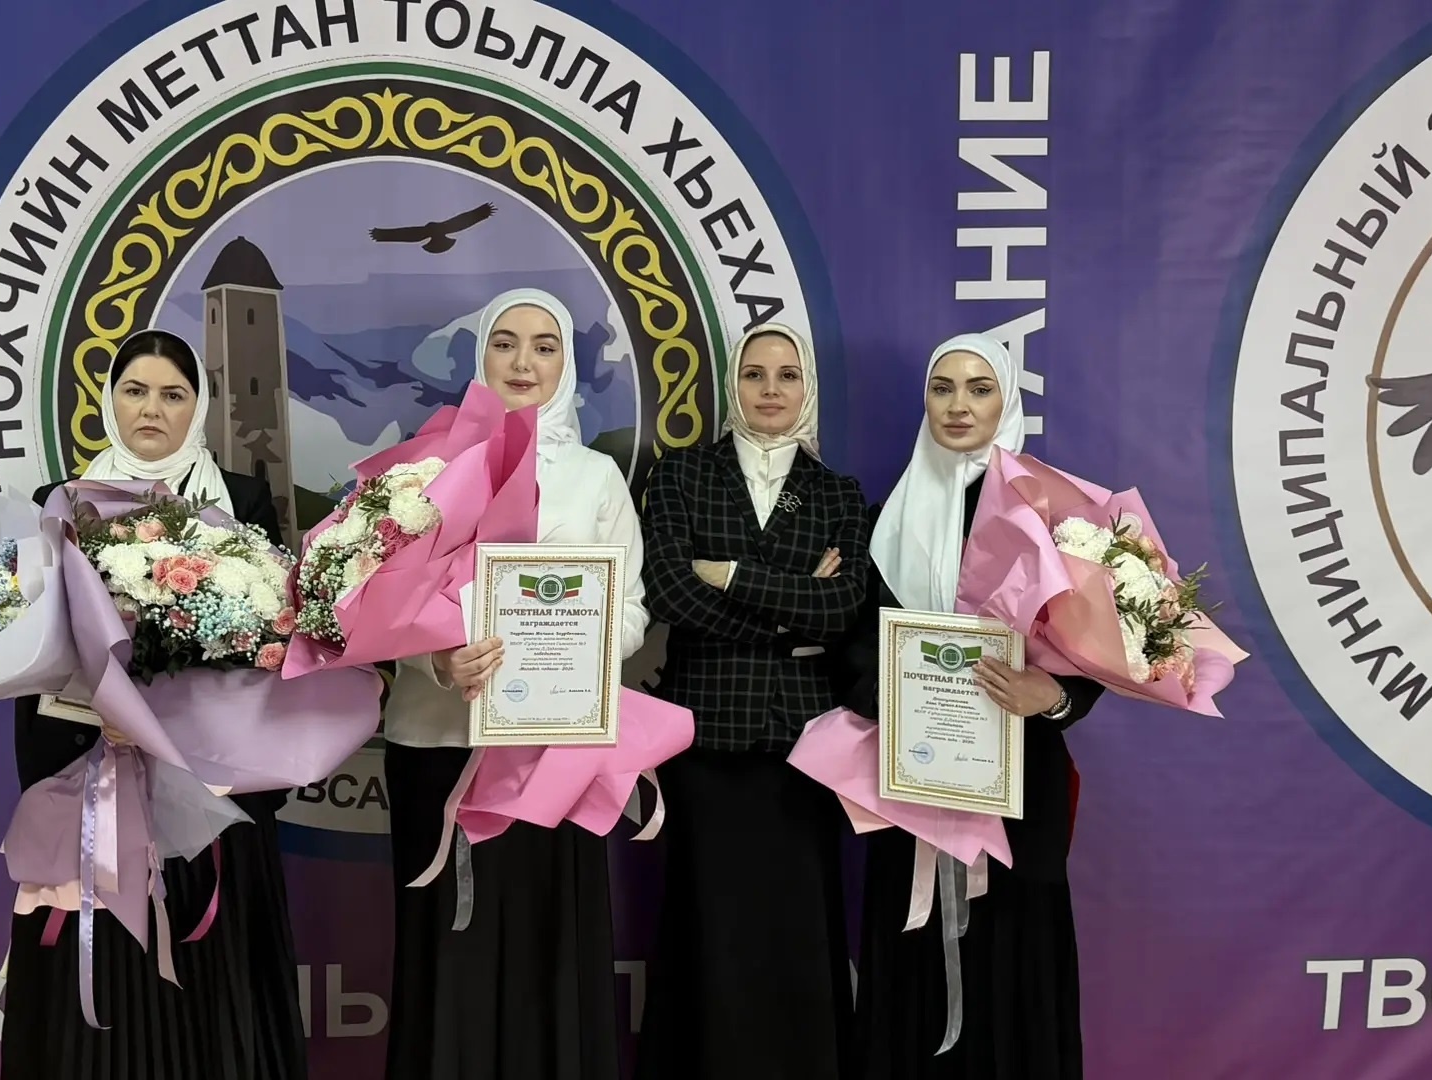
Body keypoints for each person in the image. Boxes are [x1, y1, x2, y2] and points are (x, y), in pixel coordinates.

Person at [1, 329, 305, 1080]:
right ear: (110, 402)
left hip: (208, 787)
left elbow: (276, 642)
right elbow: (40, 649)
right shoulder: (62, 502)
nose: (152, 410)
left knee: (209, 988)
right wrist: (96, 720)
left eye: (173, 395)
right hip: (95, 780)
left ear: (197, 407)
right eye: (135, 391)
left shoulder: (242, 499)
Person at [383, 288, 650, 1080]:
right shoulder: (425, 472)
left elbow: (632, 611)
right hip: (437, 741)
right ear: (480, 358)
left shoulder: (597, 478)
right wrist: (435, 660)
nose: (523, 362)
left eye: (544, 345)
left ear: (567, 363)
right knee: (445, 944)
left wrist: (575, 652)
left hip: (550, 753)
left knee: (547, 946)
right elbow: (378, 601)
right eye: (505, 343)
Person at [839, 333, 1104, 1080]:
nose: (959, 405)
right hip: (914, 774)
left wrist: (1051, 696)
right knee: (913, 954)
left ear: (1007, 401)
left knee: (1016, 960)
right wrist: (904, 697)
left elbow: (1096, 651)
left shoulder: (1052, 517)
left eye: (979, 389)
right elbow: (852, 650)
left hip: (1019, 783)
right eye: (943, 388)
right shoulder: (887, 518)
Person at [636, 324, 867, 1080]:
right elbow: (668, 590)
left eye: (788, 375)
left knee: (797, 926)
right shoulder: (681, 473)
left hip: (804, 746)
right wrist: (790, 612)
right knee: (708, 923)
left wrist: (731, 575)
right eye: (755, 374)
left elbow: (842, 610)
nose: (771, 390)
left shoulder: (837, 492)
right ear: (732, 384)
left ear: (807, 389)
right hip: (706, 739)